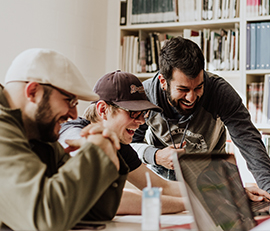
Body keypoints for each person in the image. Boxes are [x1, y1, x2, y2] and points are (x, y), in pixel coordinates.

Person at [0, 48, 129, 231]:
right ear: (33, 92)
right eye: (69, 101)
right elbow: (46, 219)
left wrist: (106, 151)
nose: (74, 114)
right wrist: (96, 153)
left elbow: (95, 212)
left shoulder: (41, 135)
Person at [131, 36, 270, 194]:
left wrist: (268, 189)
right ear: (163, 81)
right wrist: (155, 155)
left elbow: (250, 143)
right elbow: (130, 145)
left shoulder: (220, 92)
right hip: (162, 182)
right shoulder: (145, 95)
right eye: (183, 89)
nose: (191, 98)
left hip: (210, 180)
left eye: (198, 87)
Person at [59, 70, 186, 215]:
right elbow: (109, 199)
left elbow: (161, 186)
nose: (141, 121)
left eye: (143, 113)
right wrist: (189, 204)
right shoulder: (72, 132)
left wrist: (207, 193)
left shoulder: (119, 145)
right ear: (103, 109)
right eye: (133, 112)